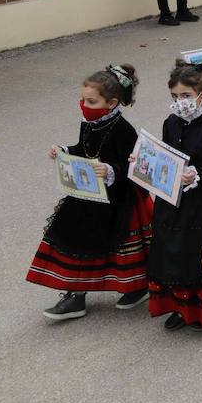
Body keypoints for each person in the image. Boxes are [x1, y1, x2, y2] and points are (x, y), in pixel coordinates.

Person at [27, 64, 152, 320]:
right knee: (76, 238)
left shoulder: (124, 130)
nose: (84, 105)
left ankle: (136, 287)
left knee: (119, 246)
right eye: (83, 100)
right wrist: (64, 151)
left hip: (118, 197)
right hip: (88, 194)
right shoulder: (89, 123)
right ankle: (76, 295)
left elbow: (133, 165)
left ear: (112, 102)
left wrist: (110, 170)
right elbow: (84, 149)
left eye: (91, 101)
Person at [148, 60, 202, 331]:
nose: (179, 102)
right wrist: (146, 161)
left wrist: (198, 174)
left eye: (185, 96)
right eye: (174, 97)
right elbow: (167, 156)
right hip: (173, 202)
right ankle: (181, 306)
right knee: (173, 255)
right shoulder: (171, 122)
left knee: (195, 257)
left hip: (201, 207)